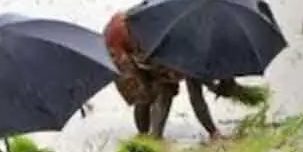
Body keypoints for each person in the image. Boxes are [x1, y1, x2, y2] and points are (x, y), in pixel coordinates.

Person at [104, 10, 250, 140]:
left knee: (164, 88)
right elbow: (197, 97)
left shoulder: (198, 46)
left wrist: (213, 132)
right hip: (118, 44)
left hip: (144, 42)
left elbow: (199, 89)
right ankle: (146, 138)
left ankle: (153, 137)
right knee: (145, 94)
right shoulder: (185, 50)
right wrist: (214, 131)